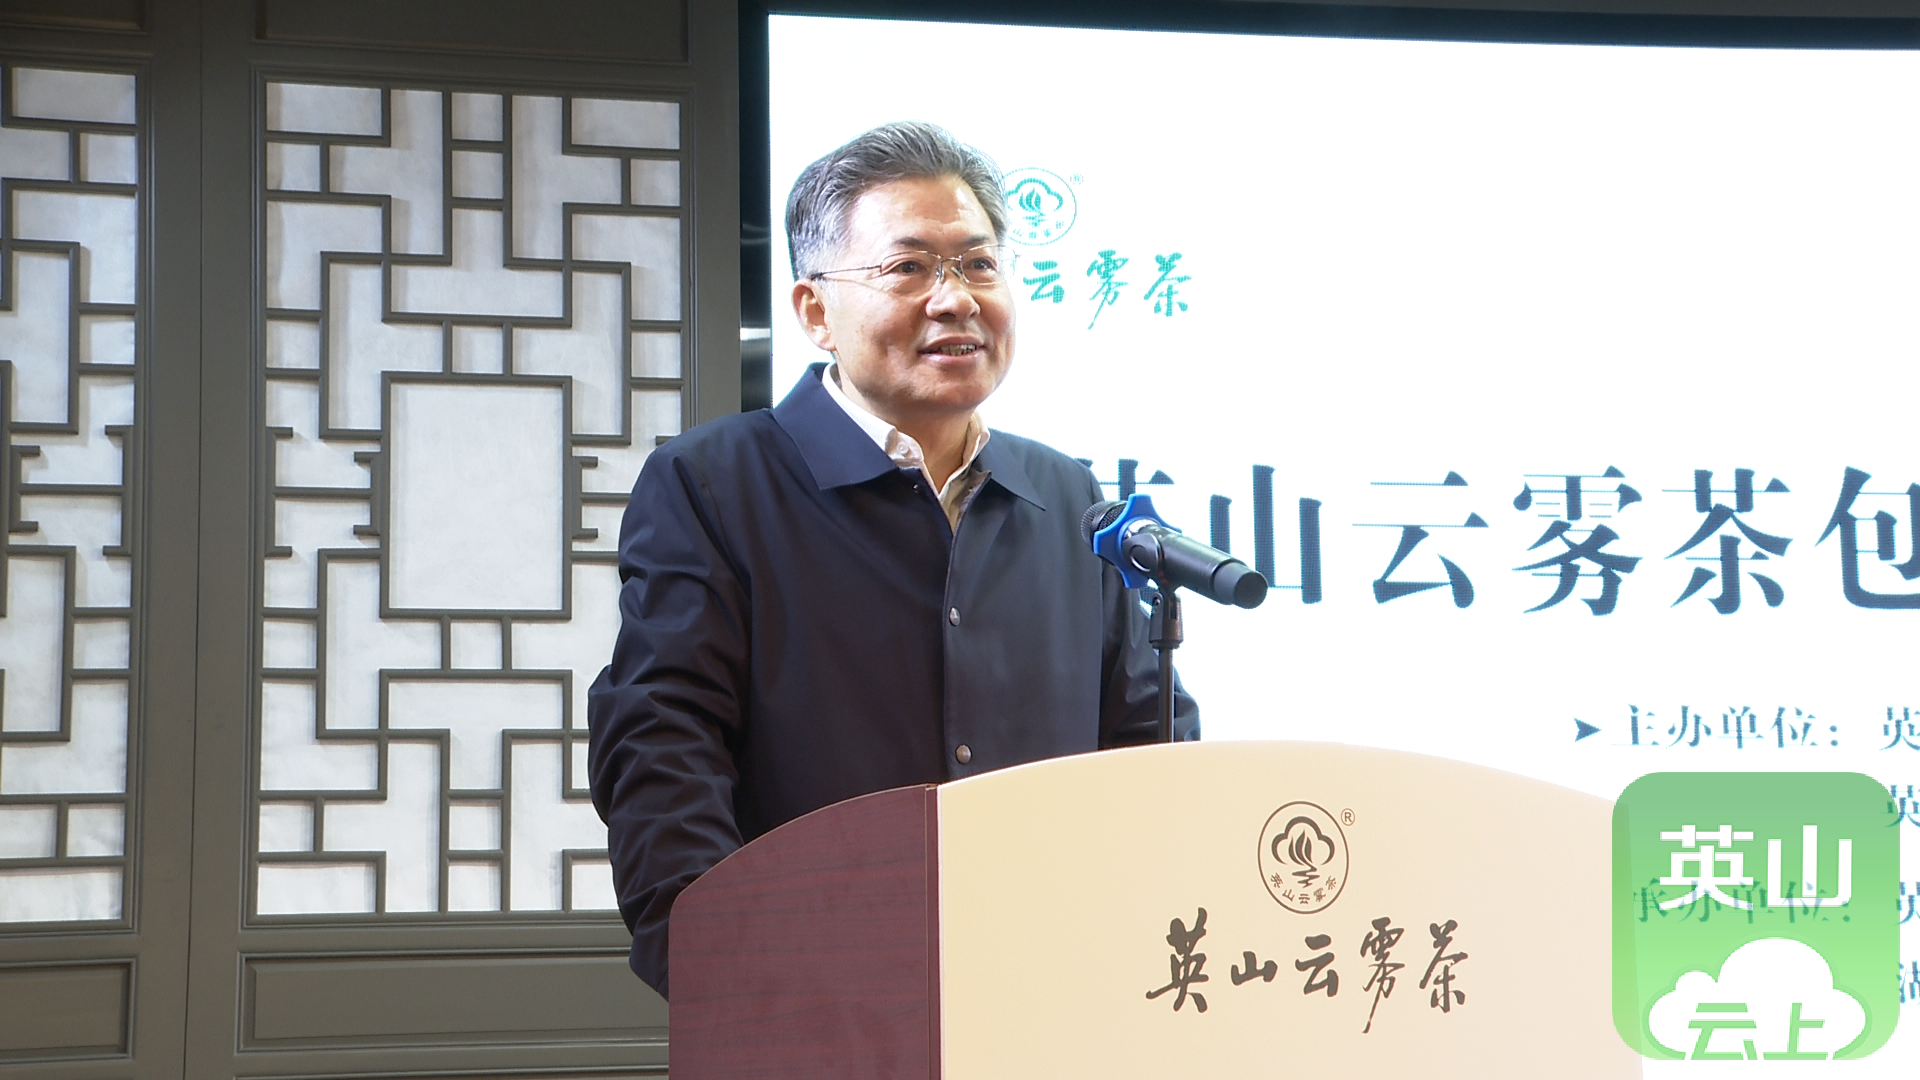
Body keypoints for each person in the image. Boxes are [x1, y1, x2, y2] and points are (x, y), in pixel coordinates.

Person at [586, 121, 1197, 998]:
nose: (955, 299)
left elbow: (1139, 738)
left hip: (1048, 990)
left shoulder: (1065, 494)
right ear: (814, 313)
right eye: (909, 268)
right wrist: (724, 968)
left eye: (978, 264)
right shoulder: (715, 482)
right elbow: (663, 744)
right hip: (815, 990)